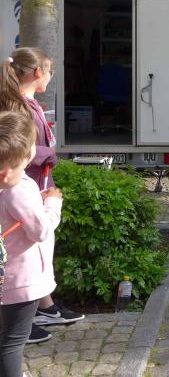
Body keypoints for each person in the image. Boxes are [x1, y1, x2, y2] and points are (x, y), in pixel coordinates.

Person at [0, 50, 83, 343]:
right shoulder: (19, 106)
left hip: (34, 181)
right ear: (37, 73)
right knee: (25, 249)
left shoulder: (26, 103)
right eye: (50, 71)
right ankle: (20, 318)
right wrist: (49, 154)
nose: (50, 76)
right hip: (25, 184)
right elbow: (19, 148)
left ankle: (43, 306)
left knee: (37, 250)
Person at [0, 111, 63, 376]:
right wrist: (53, 204)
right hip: (19, 281)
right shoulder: (18, 188)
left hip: (5, 277)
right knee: (13, 341)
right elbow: (40, 230)